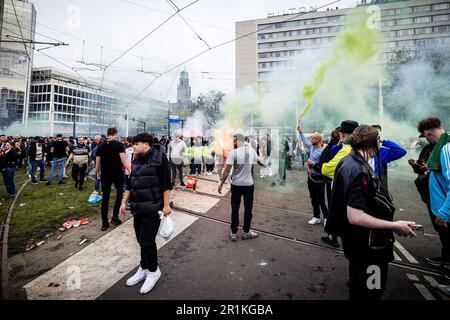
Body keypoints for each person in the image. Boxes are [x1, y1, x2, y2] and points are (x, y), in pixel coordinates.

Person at [326, 125, 417, 300]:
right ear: (372, 142)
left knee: (359, 285)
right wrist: (394, 225)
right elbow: (356, 216)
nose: (381, 143)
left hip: (357, 242)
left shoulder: (349, 160)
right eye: (379, 140)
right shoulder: (359, 170)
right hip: (368, 245)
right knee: (371, 292)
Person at [120, 133, 172, 294]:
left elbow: (166, 184)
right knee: (141, 240)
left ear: (146, 144)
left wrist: (166, 205)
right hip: (138, 208)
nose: (133, 147)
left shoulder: (160, 159)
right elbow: (130, 183)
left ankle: (153, 271)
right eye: (133, 144)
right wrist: (124, 202)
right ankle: (143, 268)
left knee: (147, 241)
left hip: (153, 208)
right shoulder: (135, 159)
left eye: (136, 144)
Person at [218, 134, 266, 241]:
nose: (233, 143)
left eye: (234, 141)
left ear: (237, 141)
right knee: (248, 209)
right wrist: (265, 162)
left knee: (235, 209)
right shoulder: (252, 151)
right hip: (248, 185)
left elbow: (226, 170)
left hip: (236, 185)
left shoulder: (233, 153)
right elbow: (261, 162)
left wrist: (221, 184)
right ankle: (246, 232)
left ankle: (234, 233)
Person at [420, 118, 450, 268]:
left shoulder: (446, 148)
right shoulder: (441, 146)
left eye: (424, 135)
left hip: (445, 205)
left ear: (427, 132)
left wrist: (444, 212)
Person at [96, 128, 131, 231]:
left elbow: (98, 161)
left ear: (107, 134)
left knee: (105, 198)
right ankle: (115, 217)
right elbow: (123, 160)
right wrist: (130, 170)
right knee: (119, 194)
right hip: (117, 174)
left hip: (105, 174)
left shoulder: (101, 146)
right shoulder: (119, 145)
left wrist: (98, 172)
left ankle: (104, 223)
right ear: (115, 134)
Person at [297, 123, 326, 225]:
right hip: (310, 177)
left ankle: (326, 217)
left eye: (313, 139)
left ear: (318, 140)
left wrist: (312, 163)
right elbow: (304, 141)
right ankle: (316, 216)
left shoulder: (323, 151)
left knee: (321, 199)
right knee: (313, 197)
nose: (310, 140)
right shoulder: (312, 147)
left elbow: (324, 165)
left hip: (319, 178)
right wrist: (300, 131)